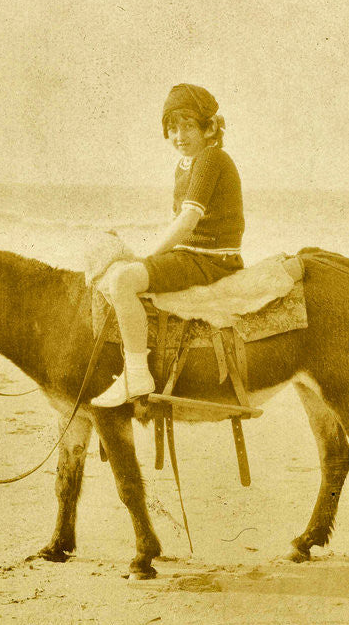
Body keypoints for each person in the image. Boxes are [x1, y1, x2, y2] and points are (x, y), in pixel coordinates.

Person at [91, 83, 244, 408]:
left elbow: (188, 221)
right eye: (172, 128)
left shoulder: (211, 158)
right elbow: (179, 224)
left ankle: (136, 373)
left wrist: (147, 256)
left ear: (209, 128)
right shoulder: (186, 164)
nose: (179, 135)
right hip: (192, 255)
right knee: (117, 267)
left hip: (212, 260)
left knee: (122, 281)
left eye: (188, 126)